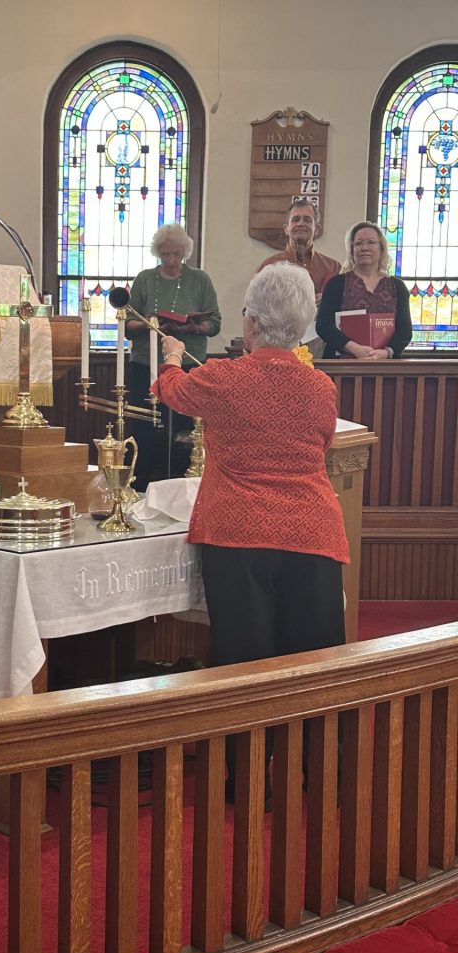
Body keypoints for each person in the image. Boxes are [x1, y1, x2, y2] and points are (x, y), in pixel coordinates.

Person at [152, 262, 349, 801]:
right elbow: (323, 443)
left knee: (244, 663)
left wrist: (172, 355)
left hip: (237, 532)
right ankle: (317, 779)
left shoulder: (223, 377)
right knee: (313, 663)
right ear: (303, 326)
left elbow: (173, 391)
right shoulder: (321, 387)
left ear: (253, 323)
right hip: (311, 531)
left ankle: (246, 784)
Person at [125, 223, 221, 491]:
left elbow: (215, 323)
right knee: (144, 426)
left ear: (184, 253)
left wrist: (192, 327)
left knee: (183, 428)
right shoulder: (145, 279)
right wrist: (151, 324)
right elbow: (127, 324)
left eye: (176, 254)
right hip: (146, 364)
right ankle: (139, 486)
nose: (171, 260)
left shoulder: (200, 280)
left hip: (188, 364)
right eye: (165, 254)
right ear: (158, 253)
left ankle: (182, 485)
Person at [255, 198, 341, 358]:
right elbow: (252, 310)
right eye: (295, 219)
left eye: (307, 219)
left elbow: (343, 311)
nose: (301, 223)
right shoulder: (269, 266)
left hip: (322, 352)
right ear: (286, 228)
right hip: (279, 349)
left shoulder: (333, 267)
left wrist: (327, 301)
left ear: (317, 229)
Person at [316, 221, 412, 359]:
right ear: (352, 249)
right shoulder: (336, 284)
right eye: (359, 243)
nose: (364, 248)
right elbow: (323, 325)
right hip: (341, 364)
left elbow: (405, 331)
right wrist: (354, 348)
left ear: (381, 248)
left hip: (384, 364)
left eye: (371, 242)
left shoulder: (398, 287)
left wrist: (386, 353)